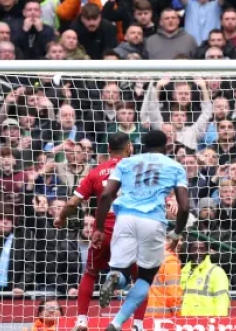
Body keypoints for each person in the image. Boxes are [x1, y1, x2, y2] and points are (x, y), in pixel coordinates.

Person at [93, 130, 191, 331]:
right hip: (152, 221)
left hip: (125, 219)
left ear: (141, 145)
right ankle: (117, 322)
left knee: (120, 272)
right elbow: (185, 206)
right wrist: (177, 232)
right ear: (166, 146)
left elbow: (105, 195)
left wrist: (100, 227)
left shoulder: (126, 164)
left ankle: (115, 279)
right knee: (146, 276)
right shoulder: (175, 167)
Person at [54, 133, 150, 331]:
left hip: (103, 231)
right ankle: (138, 325)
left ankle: (81, 320)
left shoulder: (96, 172)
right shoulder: (139, 171)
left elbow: (73, 202)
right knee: (139, 279)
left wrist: (61, 217)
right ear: (129, 148)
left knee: (90, 273)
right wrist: (170, 202)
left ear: (108, 150)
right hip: (130, 231)